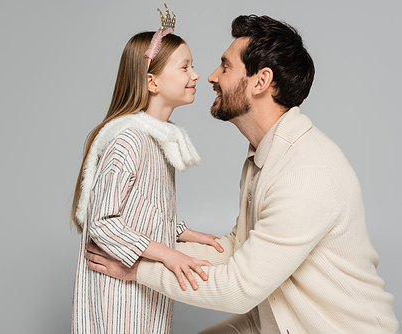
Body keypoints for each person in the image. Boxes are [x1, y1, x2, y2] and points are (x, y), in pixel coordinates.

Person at [84, 14, 400, 334]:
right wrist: (142, 248)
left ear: (260, 81)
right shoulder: (263, 155)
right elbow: (238, 251)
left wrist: (137, 267)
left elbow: (239, 289)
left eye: (225, 66)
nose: (210, 76)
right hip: (277, 323)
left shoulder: (306, 172)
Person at [70, 5, 224, 334]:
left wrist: (182, 231)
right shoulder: (128, 140)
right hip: (116, 296)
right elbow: (102, 221)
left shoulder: (157, 139)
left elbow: (141, 207)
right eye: (185, 67)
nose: (196, 75)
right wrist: (169, 254)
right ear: (152, 82)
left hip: (141, 293)